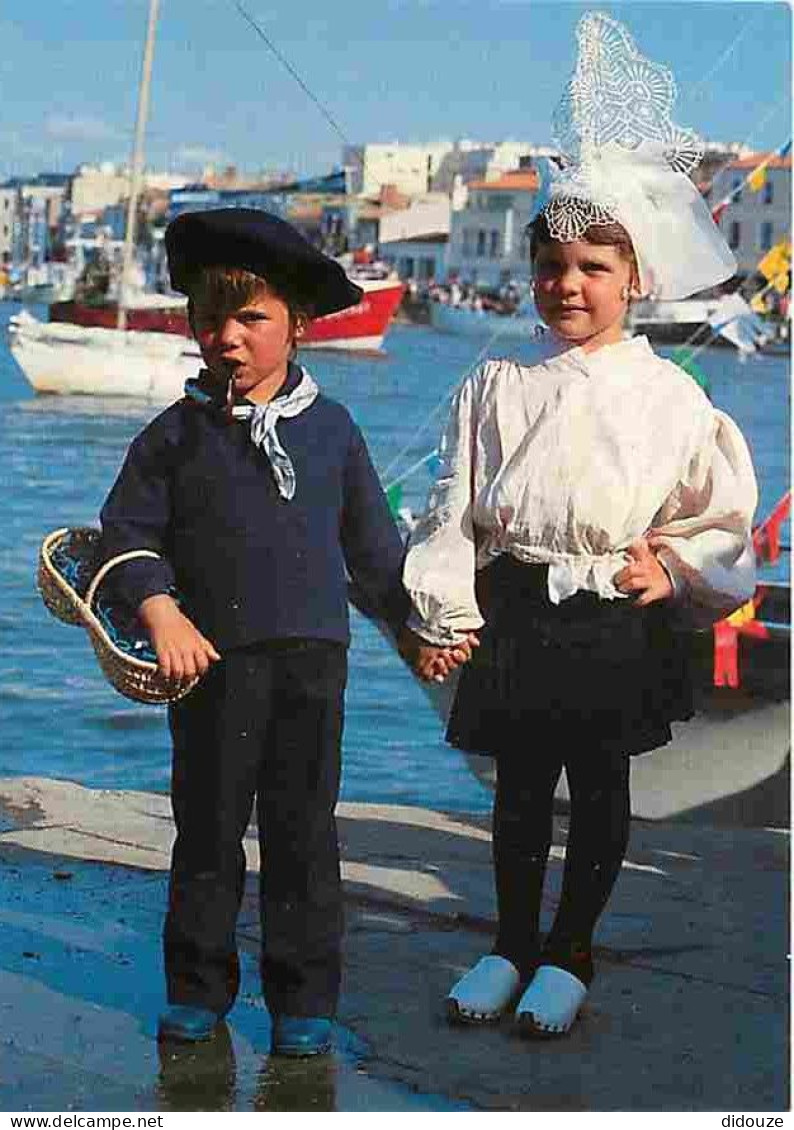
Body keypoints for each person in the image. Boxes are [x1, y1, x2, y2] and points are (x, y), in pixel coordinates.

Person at [400, 11, 758, 1038]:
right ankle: (509, 940)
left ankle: (571, 952)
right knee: (517, 787)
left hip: (608, 610)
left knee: (598, 786)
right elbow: (452, 508)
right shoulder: (493, 382)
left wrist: (675, 565)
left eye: (592, 267)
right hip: (516, 603)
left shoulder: (670, 397)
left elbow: (716, 513)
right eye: (551, 267)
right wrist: (442, 609)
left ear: (633, 278)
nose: (568, 284)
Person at [98, 208, 469, 1055]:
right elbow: (123, 537)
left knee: (305, 835)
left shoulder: (334, 431)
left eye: (250, 319)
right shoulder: (174, 436)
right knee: (206, 832)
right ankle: (197, 986)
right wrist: (161, 610)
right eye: (208, 319)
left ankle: (304, 997)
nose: (227, 338)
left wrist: (414, 631)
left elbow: (375, 553)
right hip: (209, 671)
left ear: (297, 326)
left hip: (311, 667)